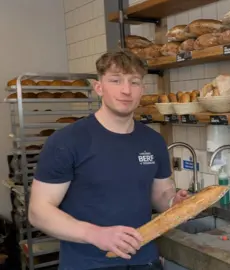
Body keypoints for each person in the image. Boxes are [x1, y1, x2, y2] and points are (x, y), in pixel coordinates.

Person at [28, 50, 189, 270]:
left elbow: (161, 194)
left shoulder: (153, 141)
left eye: (134, 82)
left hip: (145, 261)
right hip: (87, 264)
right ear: (98, 87)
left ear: (142, 89)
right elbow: (39, 212)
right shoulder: (67, 141)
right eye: (115, 80)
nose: (126, 90)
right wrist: (96, 234)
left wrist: (174, 203)